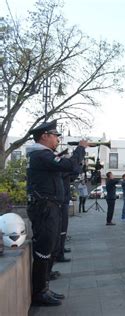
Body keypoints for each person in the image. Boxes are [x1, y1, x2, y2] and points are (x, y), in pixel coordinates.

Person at [26, 120, 88, 306]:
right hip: (45, 208)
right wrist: (80, 149)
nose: (58, 139)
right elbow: (69, 165)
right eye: (55, 135)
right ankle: (39, 291)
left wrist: (75, 158)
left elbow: (73, 168)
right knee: (44, 249)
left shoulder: (44, 155)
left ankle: (44, 286)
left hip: (50, 207)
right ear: (44, 136)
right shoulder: (41, 155)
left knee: (50, 247)